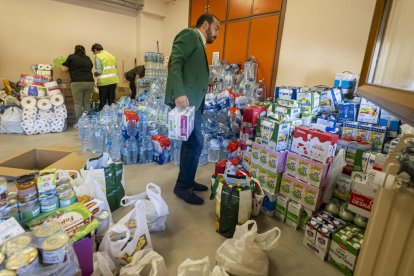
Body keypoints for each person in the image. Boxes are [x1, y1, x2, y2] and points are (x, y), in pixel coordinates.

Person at [165, 13, 220, 205]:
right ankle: (182, 187)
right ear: (206, 24)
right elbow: (175, 63)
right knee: (195, 143)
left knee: (192, 144)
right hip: (185, 102)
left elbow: (192, 70)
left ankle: (188, 181)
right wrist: (179, 91)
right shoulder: (189, 35)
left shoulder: (199, 42)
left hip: (193, 101)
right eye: (216, 28)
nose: (217, 33)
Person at [61, 45, 94, 123]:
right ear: (84, 51)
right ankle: (88, 122)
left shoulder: (72, 57)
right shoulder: (88, 58)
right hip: (90, 82)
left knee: (78, 103)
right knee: (86, 102)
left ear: (75, 50)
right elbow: (90, 67)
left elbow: (64, 69)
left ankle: (80, 123)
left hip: (77, 82)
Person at [91, 43, 119, 110]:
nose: (94, 54)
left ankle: (102, 117)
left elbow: (99, 71)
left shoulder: (98, 56)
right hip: (113, 80)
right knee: (111, 100)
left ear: (95, 50)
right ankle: (112, 116)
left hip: (104, 82)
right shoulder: (111, 55)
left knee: (102, 101)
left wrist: (95, 74)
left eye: (93, 52)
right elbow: (115, 67)